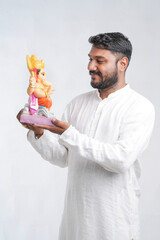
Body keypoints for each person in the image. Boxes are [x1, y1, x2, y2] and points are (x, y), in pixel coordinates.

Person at [17, 32, 155, 240]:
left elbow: (120, 159)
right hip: (75, 224)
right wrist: (38, 131)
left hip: (114, 226)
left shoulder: (139, 107)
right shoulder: (78, 103)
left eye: (100, 61)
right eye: (90, 59)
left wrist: (69, 133)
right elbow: (63, 158)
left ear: (122, 63)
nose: (90, 66)